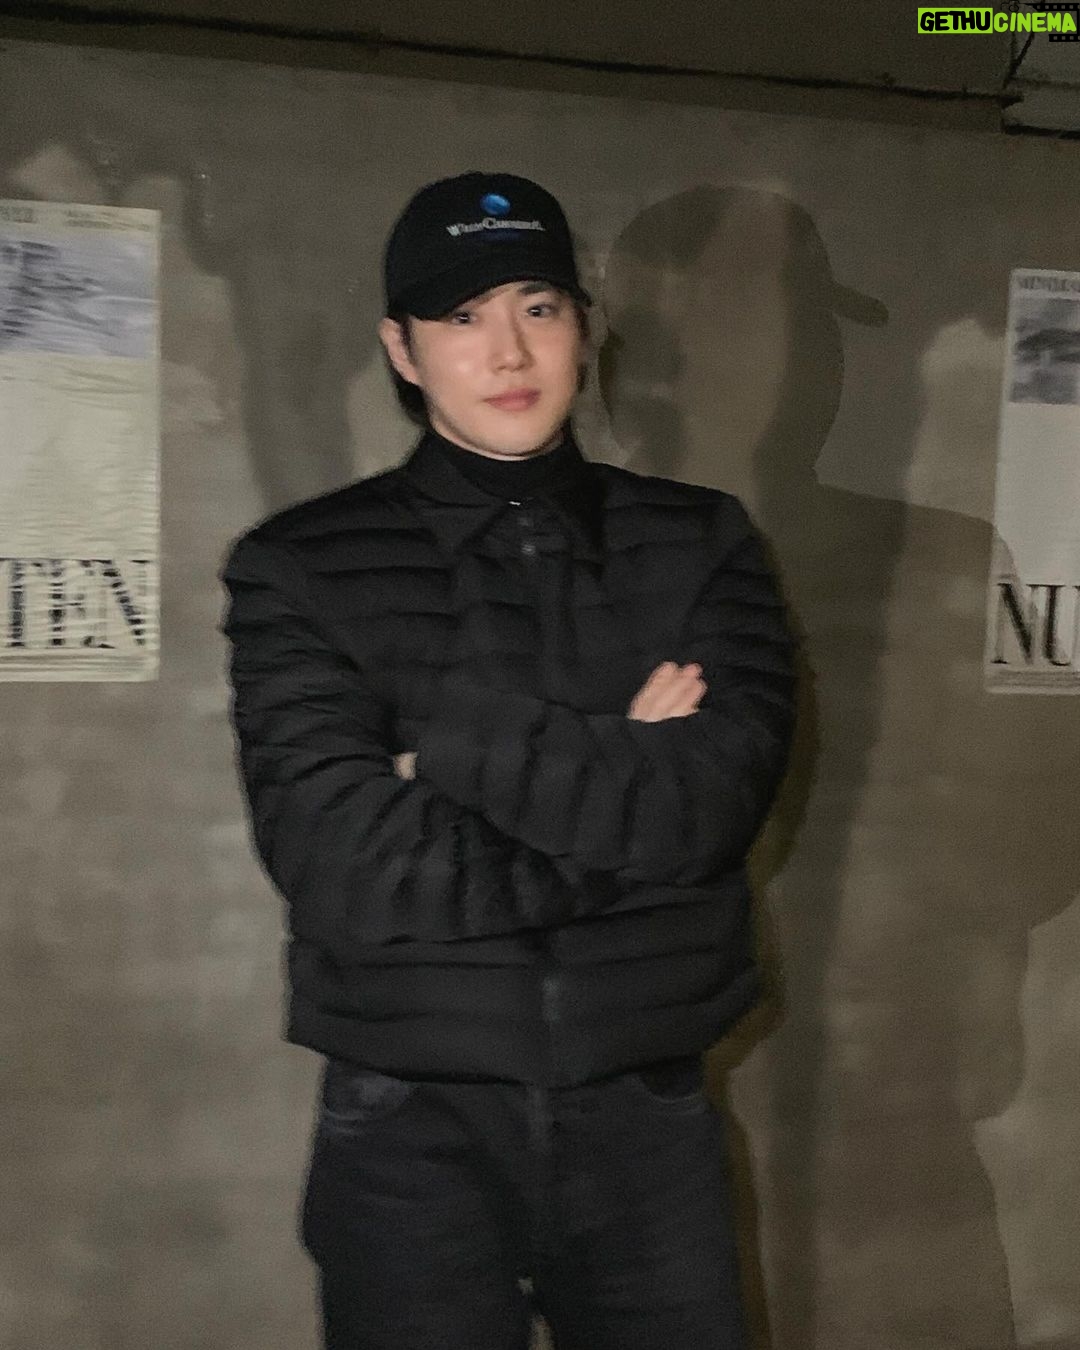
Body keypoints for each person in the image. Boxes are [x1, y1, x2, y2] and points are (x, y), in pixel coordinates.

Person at [219, 170, 796, 1350]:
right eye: (462, 315)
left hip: (647, 1119)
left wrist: (451, 751)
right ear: (402, 346)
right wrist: (621, 794)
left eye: (538, 305)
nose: (508, 350)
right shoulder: (302, 564)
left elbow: (711, 806)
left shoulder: (700, 541)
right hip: (408, 1132)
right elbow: (344, 864)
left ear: (584, 327)